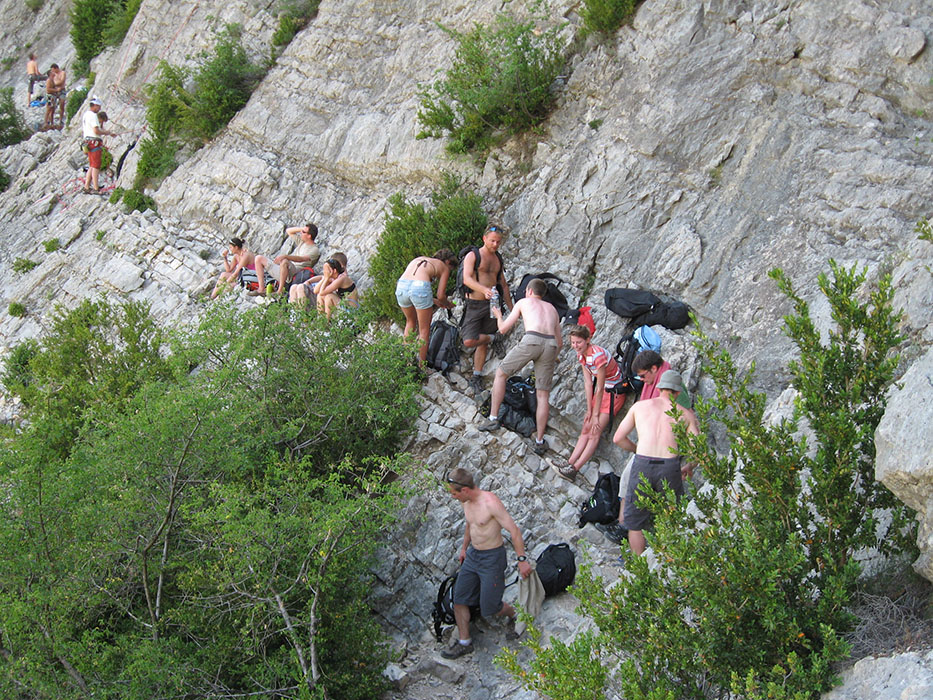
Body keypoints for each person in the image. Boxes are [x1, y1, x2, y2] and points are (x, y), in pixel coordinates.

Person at [442, 467, 532, 659]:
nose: (453, 497)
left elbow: (514, 531)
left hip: (492, 558)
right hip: (474, 556)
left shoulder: (490, 503)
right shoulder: (466, 502)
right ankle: (465, 642)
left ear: (464, 490)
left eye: (454, 493)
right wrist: (465, 548)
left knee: (490, 607)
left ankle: (514, 614)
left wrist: (522, 560)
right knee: (459, 599)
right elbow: (470, 524)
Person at [612, 371, 699, 555]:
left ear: (659, 388)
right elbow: (697, 450)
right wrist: (689, 467)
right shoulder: (685, 415)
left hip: (642, 463)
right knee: (672, 515)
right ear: (677, 392)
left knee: (635, 522)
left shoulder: (639, 407)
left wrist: (638, 449)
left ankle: (640, 568)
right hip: (669, 467)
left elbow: (618, 438)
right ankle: (672, 559)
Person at [478, 278, 561, 456]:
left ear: (529, 291)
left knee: (501, 374)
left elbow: (503, 329)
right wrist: (554, 357)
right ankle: (539, 441)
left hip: (532, 339)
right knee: (543, 394)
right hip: (551, 345)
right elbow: (559, 342)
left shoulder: (524, 302)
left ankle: (493, 418)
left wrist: (499, 315)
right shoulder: (552, 309)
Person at [550, 325, 623, 482]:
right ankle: (569, 463)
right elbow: (588, 383)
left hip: (613, 394)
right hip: (601, 393)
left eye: (579, 342)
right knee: (586, 427)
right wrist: (589, 410)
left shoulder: (598, 356)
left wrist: (596, 414)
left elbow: (601, 385)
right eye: (573, 343)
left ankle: (574, 470)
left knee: (595, 431)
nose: (576, 346)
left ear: (588, 340)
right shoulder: (581, 355)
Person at [461, 224, 513, 395]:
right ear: (484, 239)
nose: (495, 245)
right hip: (475, 304)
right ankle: (494, 338)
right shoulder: (473, 255)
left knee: (481, 343)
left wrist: (513, 309)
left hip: (493, 303)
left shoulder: (498, 259)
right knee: (469, 340)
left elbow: (503, 285)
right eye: (492, 241)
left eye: (498, 242)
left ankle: (476, 375)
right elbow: (467, 279)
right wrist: (483, 290)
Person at [396, 250, 457, 364]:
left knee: (410, 323)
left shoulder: (420, 259)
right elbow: (440, 295)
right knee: (424, 330)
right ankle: (421, 366)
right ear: (448, 262)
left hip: (401, 286)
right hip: (419, 288)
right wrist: (447, 304)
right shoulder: (443, 267)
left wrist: (432, 301)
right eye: (450, 268)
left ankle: (407, 361)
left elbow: (412, 288)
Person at [251, 223, 321, 296]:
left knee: (284, 261)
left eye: (303, 232)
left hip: (297, 271)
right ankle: (261, 289)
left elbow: (302, 259)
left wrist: (286, 256)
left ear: (309, 236)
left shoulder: (315, 249)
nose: (300, 233)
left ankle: (280, 290)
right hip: (286, 270)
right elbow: (289, 231)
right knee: (259, 258)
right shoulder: (302, 242)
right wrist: (302, 229)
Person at [314, 253, 359, 318]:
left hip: (351, 311)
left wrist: (326, 278)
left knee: (329, 297)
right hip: (343, 307)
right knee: (320, 296)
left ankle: (326, 323)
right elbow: (316, 291)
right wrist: (325, 278)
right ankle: (320, 320)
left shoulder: (342, 279)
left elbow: (322, 291)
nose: (325, 272)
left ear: (334, 270)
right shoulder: (333, 278)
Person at [43, 64, 66, 130]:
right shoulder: (49, 80)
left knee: (53, 108)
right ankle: (46, 122)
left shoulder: (53, 79)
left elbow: (61, 81)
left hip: (54, 95)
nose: (53, 73)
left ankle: (52, 123)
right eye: (52, 72)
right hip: (50, 96)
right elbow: (48, 89)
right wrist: (56, 89)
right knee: (49, 108)